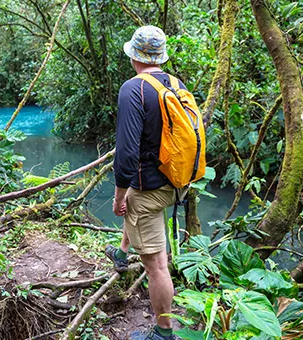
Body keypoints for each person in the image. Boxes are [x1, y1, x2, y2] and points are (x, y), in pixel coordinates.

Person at [105, 26, 187, 340]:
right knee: (137, 206)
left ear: (134, 56)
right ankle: (123, 253)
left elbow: (126, 155)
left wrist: (117, 197)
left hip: (149, 188)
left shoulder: (133, 88)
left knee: (156, 265)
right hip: (176, 182)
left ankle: (164, 333)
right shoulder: (175, 84)